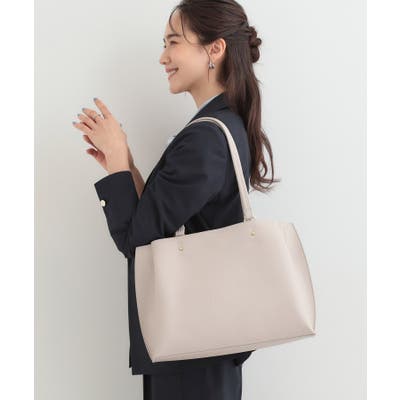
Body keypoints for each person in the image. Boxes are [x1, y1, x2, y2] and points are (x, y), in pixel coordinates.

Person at [72, 1, 279, 398]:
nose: (163, 57)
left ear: (214, 49)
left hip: (190, 352)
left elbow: (137, 240)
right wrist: (125, 163)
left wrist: (118, 165)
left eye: (173, 42)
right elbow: (161, 220)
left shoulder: (205, 138)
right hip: (201, 345)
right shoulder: (222, 125)